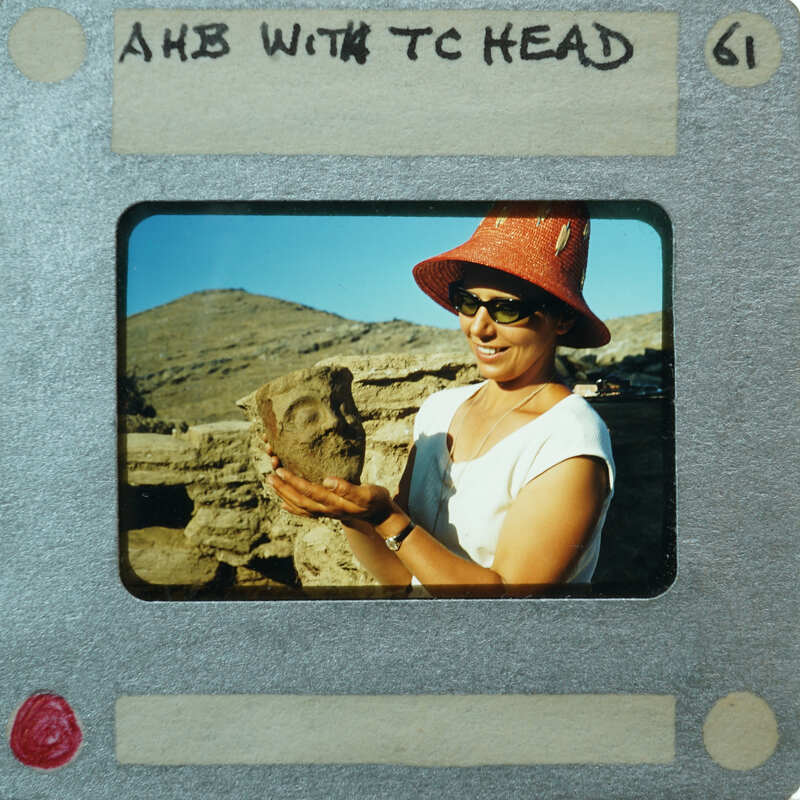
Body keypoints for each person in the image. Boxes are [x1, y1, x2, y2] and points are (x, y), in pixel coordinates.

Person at [267, 202, 615, 597]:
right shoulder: (439, 411)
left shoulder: (568, 442)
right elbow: (400, 576)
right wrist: (349, 510)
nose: (479, 327)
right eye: (468, 302)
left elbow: (510, 602)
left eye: (506, 309)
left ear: (562, 320)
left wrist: (388, 518)